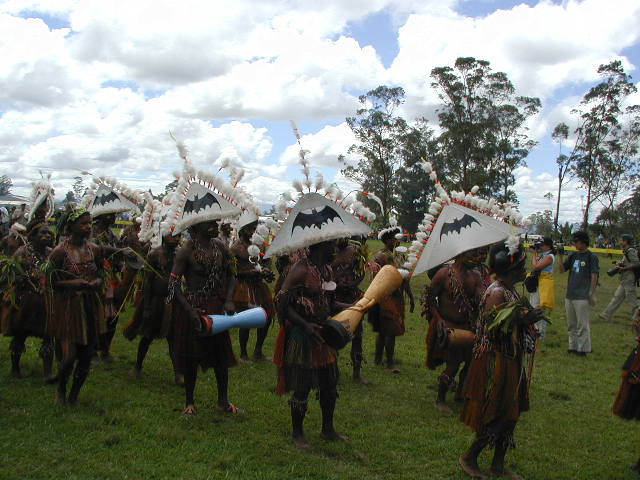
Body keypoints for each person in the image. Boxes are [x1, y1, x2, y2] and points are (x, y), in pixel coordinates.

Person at [459, 242, 543, 479]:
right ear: (510, 269)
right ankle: (469, 456)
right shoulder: (496, 293)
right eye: (520, 267)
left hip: (511, 358)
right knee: (496, 412)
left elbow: (513, 320)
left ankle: (498, 463)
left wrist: (527, 319)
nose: (523, 270)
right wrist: (525, 321)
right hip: (495, 360)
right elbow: (493, 331)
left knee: (512, 412)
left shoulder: (511, 291)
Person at [274, 240, 349, 448]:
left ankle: (328, 429)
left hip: (324, 332)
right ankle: (297, 434)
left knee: (330, 384)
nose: (335, 250)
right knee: (302, 386)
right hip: (303, 335)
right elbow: (281, 303)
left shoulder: (326, 269)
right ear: (320, 245)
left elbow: (331, 302)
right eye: (331, 246)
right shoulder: (300, 269)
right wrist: (305, 325)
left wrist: (357, 306)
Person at [169, 220, 239, 415]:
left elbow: (232, 275)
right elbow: (173, 285)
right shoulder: (186, 251)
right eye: (210, 223)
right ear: (196, 227)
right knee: (192, 355)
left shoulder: (221, 247)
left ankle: (223, 401)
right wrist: (190, 311)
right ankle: (189, 402)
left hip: (217, 306)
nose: (215, 225)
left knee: (221, 354)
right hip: (195, 309)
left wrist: (229, 300)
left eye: (215, 222)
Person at [47, 209, 107, 405]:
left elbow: (101, 274)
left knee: (86, 356)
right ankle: (61, 389)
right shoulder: (60, 252)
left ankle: (74, 395)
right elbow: (49, 282)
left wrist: (97, 282)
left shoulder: (94, 249)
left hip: (89, 305)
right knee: (69, 356)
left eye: (89, 223)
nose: (88, 227)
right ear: (70, 227)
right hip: (68, 307)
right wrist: (72, 284)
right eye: (83, 223)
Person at [424, 249, 483, 413]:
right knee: (454, 363)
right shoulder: (444, 274)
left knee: (470, 362)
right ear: (460, 254)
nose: (474, 258)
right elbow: (430, 299)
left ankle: (460, 392)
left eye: (475, 255)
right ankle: (440, 399)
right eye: (470, 254)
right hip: (448, 324)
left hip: (468, 325)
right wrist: (438, 319)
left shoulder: (475, 276)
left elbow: (481, 299)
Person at [123, 230, 182, 383]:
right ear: (164, 236)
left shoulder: (178, 255)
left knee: (173, 339)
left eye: (178, 236)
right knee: (148, 336)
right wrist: (147, 306)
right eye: (173, 236)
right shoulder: (154, 254)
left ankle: (178, 374)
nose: (176, 239)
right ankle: (138, 366)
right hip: (155, 301)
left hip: (171, 300)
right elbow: (148, 282)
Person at [0, 220, 54, 379]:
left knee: (49, 336)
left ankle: (48, 372)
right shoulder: (21, 253)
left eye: (48, 233)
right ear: (32, 237)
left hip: (46, 302)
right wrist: (20, 279)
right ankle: (15, 369)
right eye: (42, 233)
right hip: (26, 303)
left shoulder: (51, 253)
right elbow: (10, 277)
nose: (46, 235)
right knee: (20, 335)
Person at [369, 227, 414, 373]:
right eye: (395, 238)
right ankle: (389, 363)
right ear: (388, 240)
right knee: (389, 330)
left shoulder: (398, 255)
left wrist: (410, 296)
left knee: (384, 331)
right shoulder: (384, 256)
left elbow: (404, 278)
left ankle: (378, 359)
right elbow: (394, 277)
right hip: (386, 297)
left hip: (394, 296)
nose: (398, 240)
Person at [230, 218, 276, 361]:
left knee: (266, 318)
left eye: (253, 229)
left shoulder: (259, 246)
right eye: (249, 229)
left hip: (259, 286)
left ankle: (258, 351)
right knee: (247, 321)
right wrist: (251, 273)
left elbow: (263, 264)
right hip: (243, 287)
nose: (252, 232)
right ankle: (243, 353)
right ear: (242, 230)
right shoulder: (236, 248)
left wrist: (266, 272)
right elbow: (231, 271)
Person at [331, 236, 370, 384]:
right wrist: (336, 284)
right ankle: (333, 371)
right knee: (334, 333)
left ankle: (357, 373)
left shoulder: (355, 250)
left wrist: (353, 283)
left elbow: (361, 272)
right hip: (333, 298)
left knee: (357, 334)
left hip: (352, 296)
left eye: (345, 235)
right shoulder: (328, 250)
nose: (342, 238)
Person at [558, 231, 599, 356]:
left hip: (582, 295)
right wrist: (560, 256)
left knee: (582, 324)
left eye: (576, 241)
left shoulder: (591, 257)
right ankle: (573, 346)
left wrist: (591, 292)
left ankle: (583, 348)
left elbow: (594, 275)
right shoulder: (573, 255)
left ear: (583, 242)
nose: (574, 244)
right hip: (570, 294)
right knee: (571, 323)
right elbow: (561, 270)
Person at [600, 234, 639, 321]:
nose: (620, 242)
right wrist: (620, 263)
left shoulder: (630, 251)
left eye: (621, 240)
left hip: (629, 278)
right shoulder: (626, 251)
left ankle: (637, 318)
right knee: (617, 297)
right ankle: (606, 314)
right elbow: (628, 262)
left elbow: (636, 263)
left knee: (632, 300)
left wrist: (624, 267)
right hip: (625, 278)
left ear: (625, 241)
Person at [529, 237, 555, 343]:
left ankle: (541, 335)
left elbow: (536, 266)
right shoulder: (543, 255)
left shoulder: (549, 256)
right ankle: (534, 333)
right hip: (538, 282)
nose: (540, 247)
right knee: (533, 306)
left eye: (542, 245)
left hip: (544, 284)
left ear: (548, 246)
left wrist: (534, 254)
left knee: (540, 309)